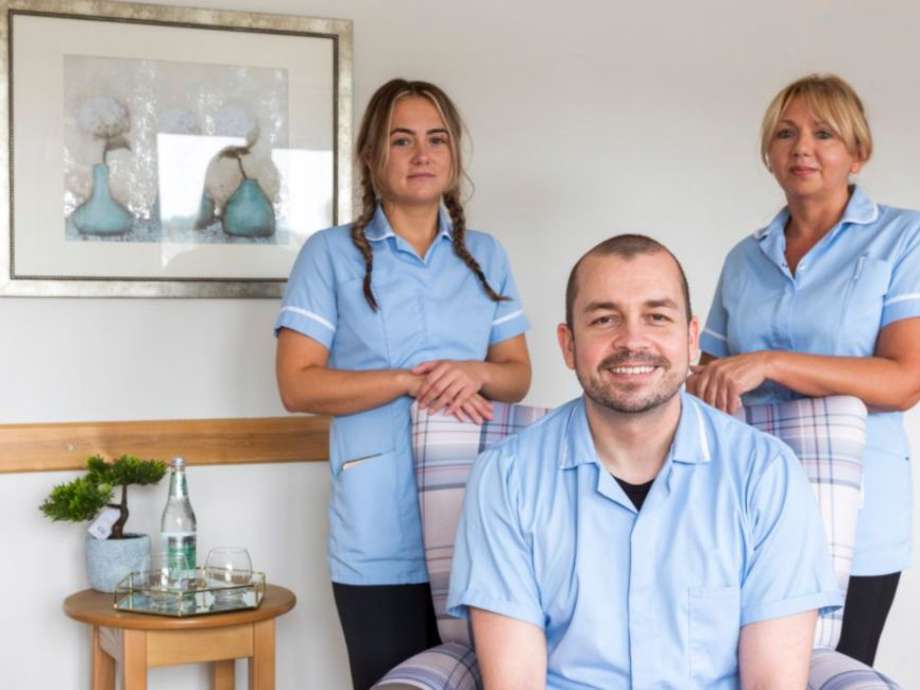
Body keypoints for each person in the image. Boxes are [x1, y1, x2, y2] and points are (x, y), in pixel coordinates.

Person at [447, 234, 841, 689]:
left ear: (691, 338)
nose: (632, 340)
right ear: (568, 344)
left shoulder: (767, 474)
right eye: (603, 319)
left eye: (656, 317)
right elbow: (514, 684)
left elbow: (773, 682)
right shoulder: (505, 478)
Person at [274, 79, 531, 690]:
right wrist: (403, 381)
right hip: (377, 530)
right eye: (403, 139)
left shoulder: (487, 256)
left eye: (436, 140)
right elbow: (296, 386)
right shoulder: (330, 255)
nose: (423, 154)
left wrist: (474, 372)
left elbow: (517, 377)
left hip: (480, 521)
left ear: (454, 156)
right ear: (371, 156)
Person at [687, 74, 920, 666]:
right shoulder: (744, 258)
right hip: (748, 506)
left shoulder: (903, 239)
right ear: (769, 154)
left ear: (858, 154)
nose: (802, 148)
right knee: (742, 671)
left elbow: (903, 381)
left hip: (860, 509)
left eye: (824, 134)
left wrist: (771, 363)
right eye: (785, 134)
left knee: (837, 669)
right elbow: (711, 375)